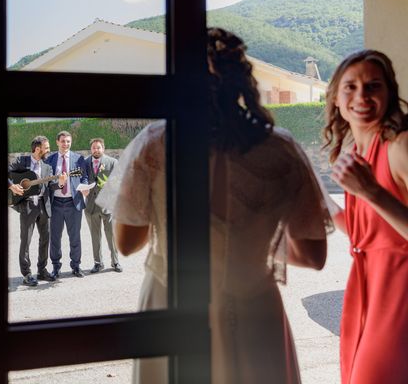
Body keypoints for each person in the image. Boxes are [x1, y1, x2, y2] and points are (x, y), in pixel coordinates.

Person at [98, 27, 332, 384]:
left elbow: (128, 243)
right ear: (241, 82)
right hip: (254, 308)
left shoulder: (156, 142)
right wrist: (252, 242)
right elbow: (314, 255)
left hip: (172, 303)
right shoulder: (280, 148)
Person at [324, 49, 408, 384]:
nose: (361, 96)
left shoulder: (400, 147)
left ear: (389, 93)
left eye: (373, 86)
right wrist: (322, 208)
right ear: (335, 98)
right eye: (351, 87)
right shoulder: (355, 152)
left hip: (400, 293)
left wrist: (372, 192)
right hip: (367, 290)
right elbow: (372, 235)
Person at [8, 136, 62, 286]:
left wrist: (61, 184)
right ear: (37, 149)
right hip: (27, 206)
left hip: (44, 207)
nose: (49, 150)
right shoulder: (22, 161)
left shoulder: (47, 166)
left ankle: (42, 270)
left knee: (45, 240)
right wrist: (12, 186)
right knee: (26, 240)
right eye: (47, 147)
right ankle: (27, 274)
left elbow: (52, 186)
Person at [45, 131, 88, 278]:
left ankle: (76, 266)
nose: (66, 144)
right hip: (55, 203)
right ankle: (56, 267)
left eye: (68, 141)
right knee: (55, 238)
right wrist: (59, 184)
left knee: (75, 237)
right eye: (63, 141)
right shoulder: (49, 160)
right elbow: (47, 184)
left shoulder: (79, 159)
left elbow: (85, 177)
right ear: (57, 142)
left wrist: (86, 187)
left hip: (73, 202)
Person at [83, 138, 121, 273]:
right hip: (90, 206)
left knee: (111, 235)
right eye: (93, 148)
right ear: (91, 149)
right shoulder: (85, 162)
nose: (96, 150)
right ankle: (98, 263)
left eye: (98, 147)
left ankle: (115, 261)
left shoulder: (112, 162)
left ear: (103, 148)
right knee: (95, 236)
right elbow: (82, 178)